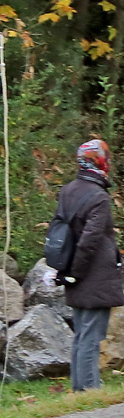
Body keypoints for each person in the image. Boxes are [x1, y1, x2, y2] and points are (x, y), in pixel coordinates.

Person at [55, 140, 124, 392]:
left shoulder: (68, 190)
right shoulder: (99, 196)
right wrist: (76, 273)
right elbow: (90, 241)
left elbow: (60, 232)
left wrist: (68, 272)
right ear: (99, 161)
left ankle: (78, 390)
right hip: (95, 277)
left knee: (81, 335)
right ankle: (89, 390)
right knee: (92, 338)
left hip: (76, 273)